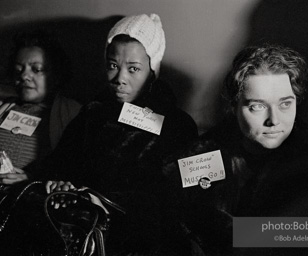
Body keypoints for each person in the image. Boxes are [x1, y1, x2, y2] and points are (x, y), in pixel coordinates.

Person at [37, 13, 198, 255]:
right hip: (80, 236)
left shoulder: (178, 126)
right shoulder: (93, 113)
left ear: (152, 70)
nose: (120, 79)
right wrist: (55, 182)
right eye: (113, 65)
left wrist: (108, 203)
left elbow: (179, 202)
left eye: (134, 69)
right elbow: (61, 163)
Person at [158, 44, 308, 255]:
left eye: (285, 104)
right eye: (257, 106)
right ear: (234, 106)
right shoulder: (202, 156)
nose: (274, 120)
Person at [0, 30, 81, 186]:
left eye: (36, 69)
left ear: (56, 75)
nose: (24, 76)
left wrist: (32, 180)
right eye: (19, 70)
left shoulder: (70, 113)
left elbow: (73, 171)